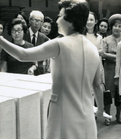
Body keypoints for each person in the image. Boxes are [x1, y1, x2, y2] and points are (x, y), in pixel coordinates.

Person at [0, 0, 104, 139]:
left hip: (63, 113)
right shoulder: (92, 48)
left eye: (60, 16)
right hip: (87, 114)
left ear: (70, 21)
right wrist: (101, 111)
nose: (57, 20)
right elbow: (97, 85)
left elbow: (23, 55)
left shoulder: (59, 44)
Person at [85, 11, 112, 125]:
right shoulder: (80, 36)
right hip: (84, 69)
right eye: (87, 19)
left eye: (91, 19)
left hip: (97, 67)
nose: (89, 22)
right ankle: (88, 121)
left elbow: (102, 52)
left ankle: (98, 116)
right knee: (86, 95)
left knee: (98, 92)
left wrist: (91, 53)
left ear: (95, 21)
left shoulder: (99, 37)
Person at [102, 13, 121, 126]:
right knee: (108, 93)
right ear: (111, 27)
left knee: (120, 93)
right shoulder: (105, 40)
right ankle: (107, 116)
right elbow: (103, 54)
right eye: (115, 26)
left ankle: (118, 115)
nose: (117, 28)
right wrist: (117, 57)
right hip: (109, 69)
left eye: (120, 26)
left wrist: (113, 56)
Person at [24, 10, 49, 75]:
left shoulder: (44, 38)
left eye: (39, 21)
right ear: (30, 20)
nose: (37, 23)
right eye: (35, 20)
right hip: (24, 70)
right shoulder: (23, 34)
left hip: (39, 73)